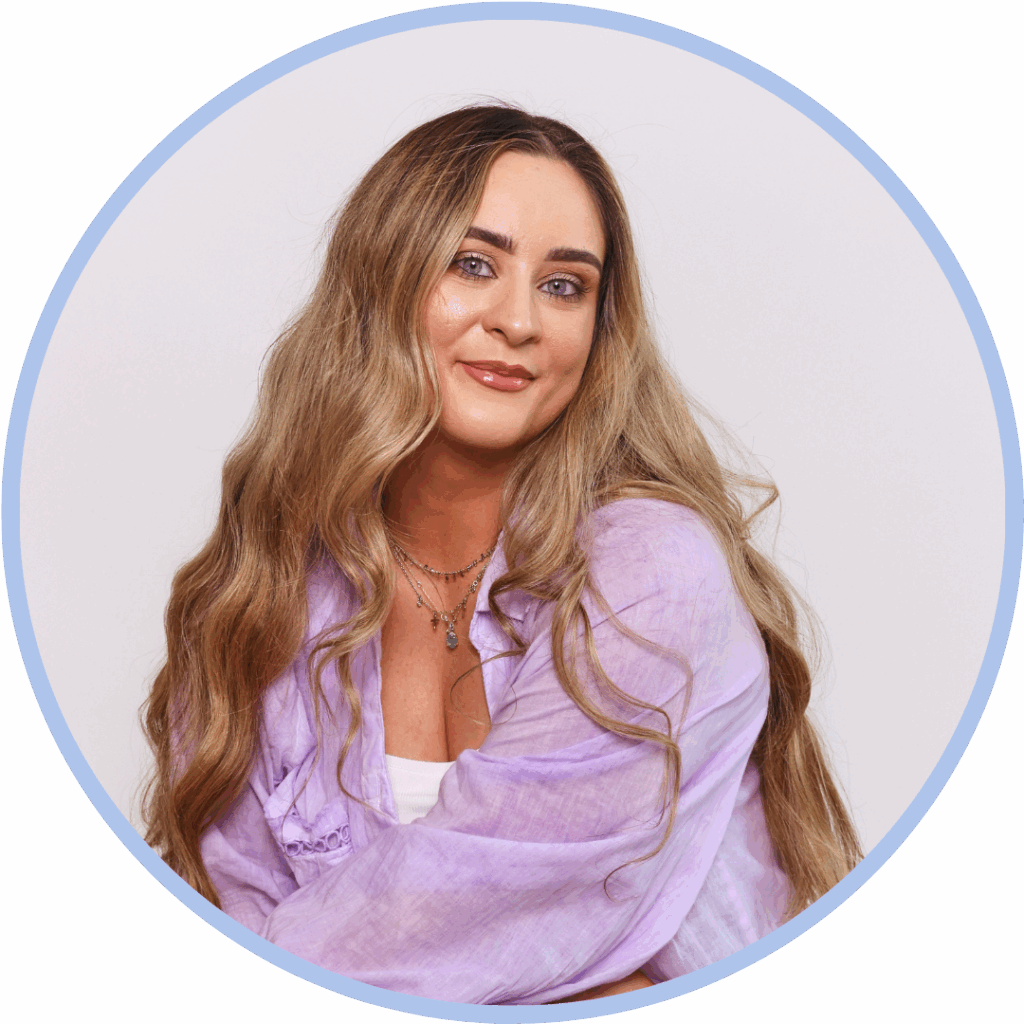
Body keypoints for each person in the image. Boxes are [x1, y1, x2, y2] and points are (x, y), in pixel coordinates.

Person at [141, 105, 861, 1005]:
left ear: (600, 336)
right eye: (473, 265)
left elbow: (474, 913)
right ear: (382, 281)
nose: (518, 320)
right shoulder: (263, 599)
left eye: (565, 286)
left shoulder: (652, 575)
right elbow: (232, 922)